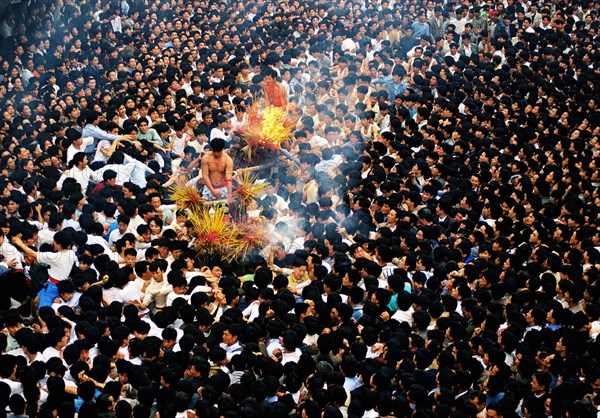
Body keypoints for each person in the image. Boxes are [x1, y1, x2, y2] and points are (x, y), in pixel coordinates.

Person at [201, 137, 233, 204]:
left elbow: (229, 178)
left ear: (222, 149)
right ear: (211, 149)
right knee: (204, 209)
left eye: (218, 151)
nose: (216, 154)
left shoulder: (228, 160)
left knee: (224, 211)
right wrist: (212, 190)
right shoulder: (205, 158)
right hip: (209, 188)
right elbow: (205, 175)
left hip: (223, 189)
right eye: (214, 151)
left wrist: (230, 194)